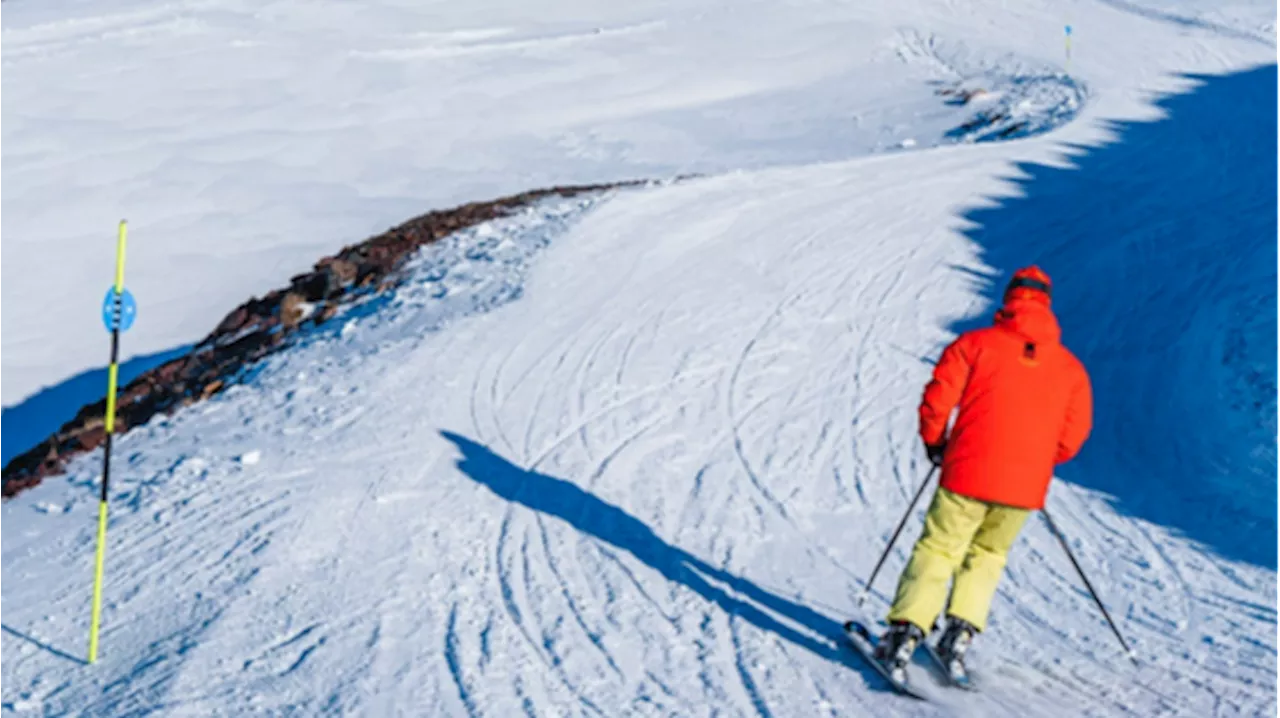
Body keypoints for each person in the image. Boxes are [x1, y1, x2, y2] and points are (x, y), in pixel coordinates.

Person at [874, 265, 1093, 685]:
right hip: (1023, 488)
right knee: (988, 556)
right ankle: (958, 635)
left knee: (940, 548)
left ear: (1008, 299)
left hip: (967, 471)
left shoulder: (973, 345)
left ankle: (905, 635)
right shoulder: (1070, 370)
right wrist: (1033, 462)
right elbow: (1073, 436)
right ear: (1047, 303)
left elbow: (938, 398)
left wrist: (936, 442)